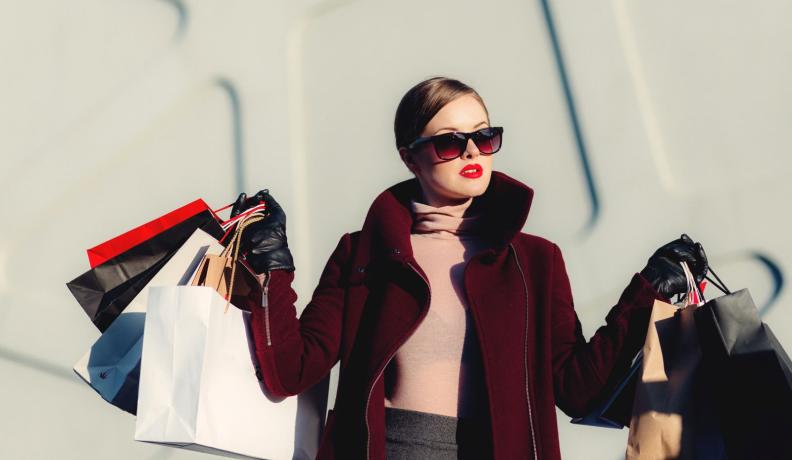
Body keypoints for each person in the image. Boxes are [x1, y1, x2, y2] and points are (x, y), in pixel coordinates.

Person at [230, 77, 708, 460]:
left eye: (484, 136)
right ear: (409, 156)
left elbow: (576, 390)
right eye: (450, 143)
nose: (474, 152)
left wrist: (648, 290)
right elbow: (290, 371)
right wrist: (272, 266)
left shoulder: (536, 261)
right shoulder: (365, 253)